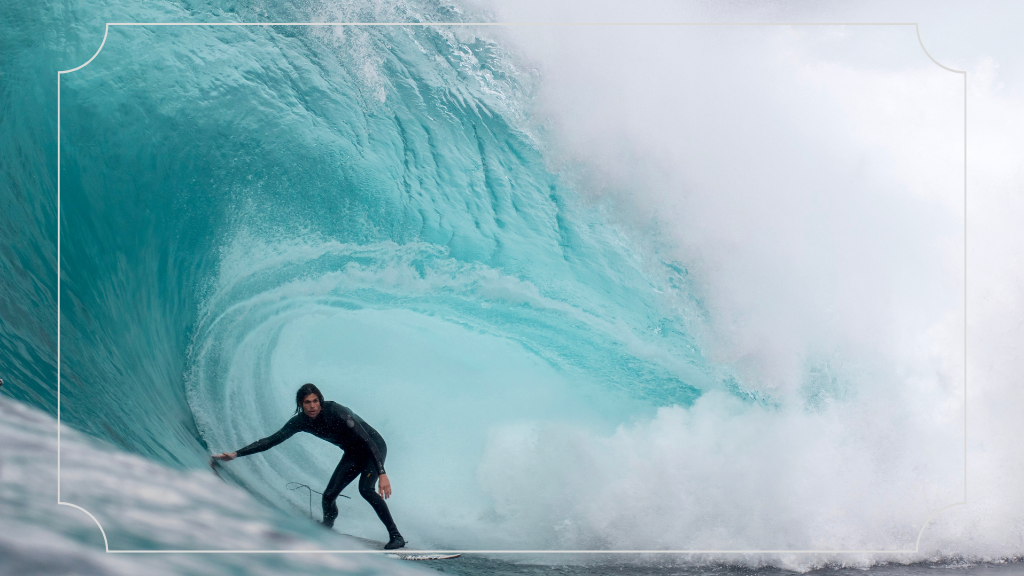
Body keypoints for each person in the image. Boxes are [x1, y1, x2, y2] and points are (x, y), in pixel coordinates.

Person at [213, 383, 406, 550]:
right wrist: (236, 454)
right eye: (307, 402)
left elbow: (366, 440)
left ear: (320, 401)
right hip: (353, 453)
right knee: (328, 496)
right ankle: (327, 527)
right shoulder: (301, 422)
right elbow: (272, 440)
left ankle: (396, 536)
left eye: (315, 401)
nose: (312, 406)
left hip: (373, 447)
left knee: (365, 489)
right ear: (301, 404)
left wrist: (382, 473)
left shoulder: (337, 412)